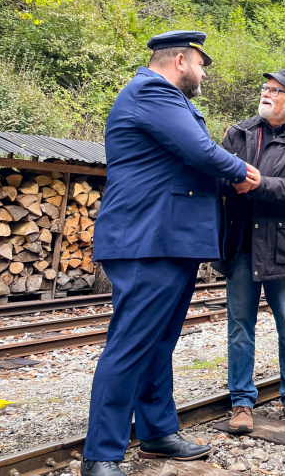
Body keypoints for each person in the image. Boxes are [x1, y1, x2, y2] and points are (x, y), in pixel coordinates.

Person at [83, 31, 254, 476]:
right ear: (180, 59)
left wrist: (227, 180)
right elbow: (199, 150)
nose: (202, 75)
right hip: (147, 237)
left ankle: (157, 433)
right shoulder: (152, 92)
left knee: (158, 342)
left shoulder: (162, 99)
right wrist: (241, 170)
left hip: (170, 238)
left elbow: (185, 166)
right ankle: (101, 454)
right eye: (200, 65)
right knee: (130, 345)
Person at [218, 69, 285, 432]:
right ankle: (242, 403)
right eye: (265, 88)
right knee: (240, 328)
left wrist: (261, 184)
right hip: (243, 245)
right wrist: (232, 182)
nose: (266, 94)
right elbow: (217, 176)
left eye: (275, 91)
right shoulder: (239, 132)